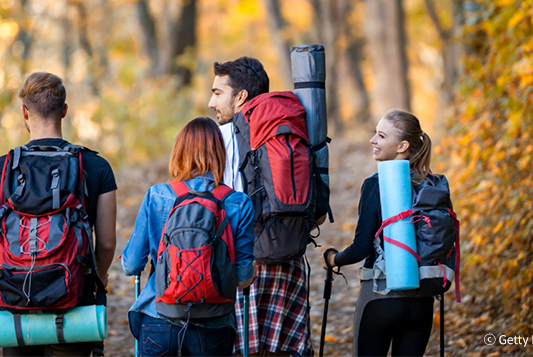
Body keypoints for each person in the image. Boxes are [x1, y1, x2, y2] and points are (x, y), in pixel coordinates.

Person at [0, 72, 118, 357]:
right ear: (64, 110)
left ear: (24, 112)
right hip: (72, 302)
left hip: (15, 305)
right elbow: (105, 243)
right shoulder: (97, 167)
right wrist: (94, 281)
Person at [121, 117, 256, 357]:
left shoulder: (157, 196)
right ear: (220, 153)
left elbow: (132, 264)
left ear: (179, 152)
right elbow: (243, 278)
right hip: (215, 322)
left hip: (159, 315)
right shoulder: (239, 202)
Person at [209, 56, 315, 357]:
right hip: (290, 255)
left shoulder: (225, 137)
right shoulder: (293, 127)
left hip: (245, 260)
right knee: (284, 347)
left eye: (218, 93)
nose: (210, 102)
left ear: (240, 97)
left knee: (246, 348)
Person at [321, 109, 436, 357]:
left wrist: (332, 259)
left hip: (380, 298)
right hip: (422, 302)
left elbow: (361, 247)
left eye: (381, 136)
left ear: (403, 145)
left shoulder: (375, 183)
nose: (373, 140)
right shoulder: (433, 185)